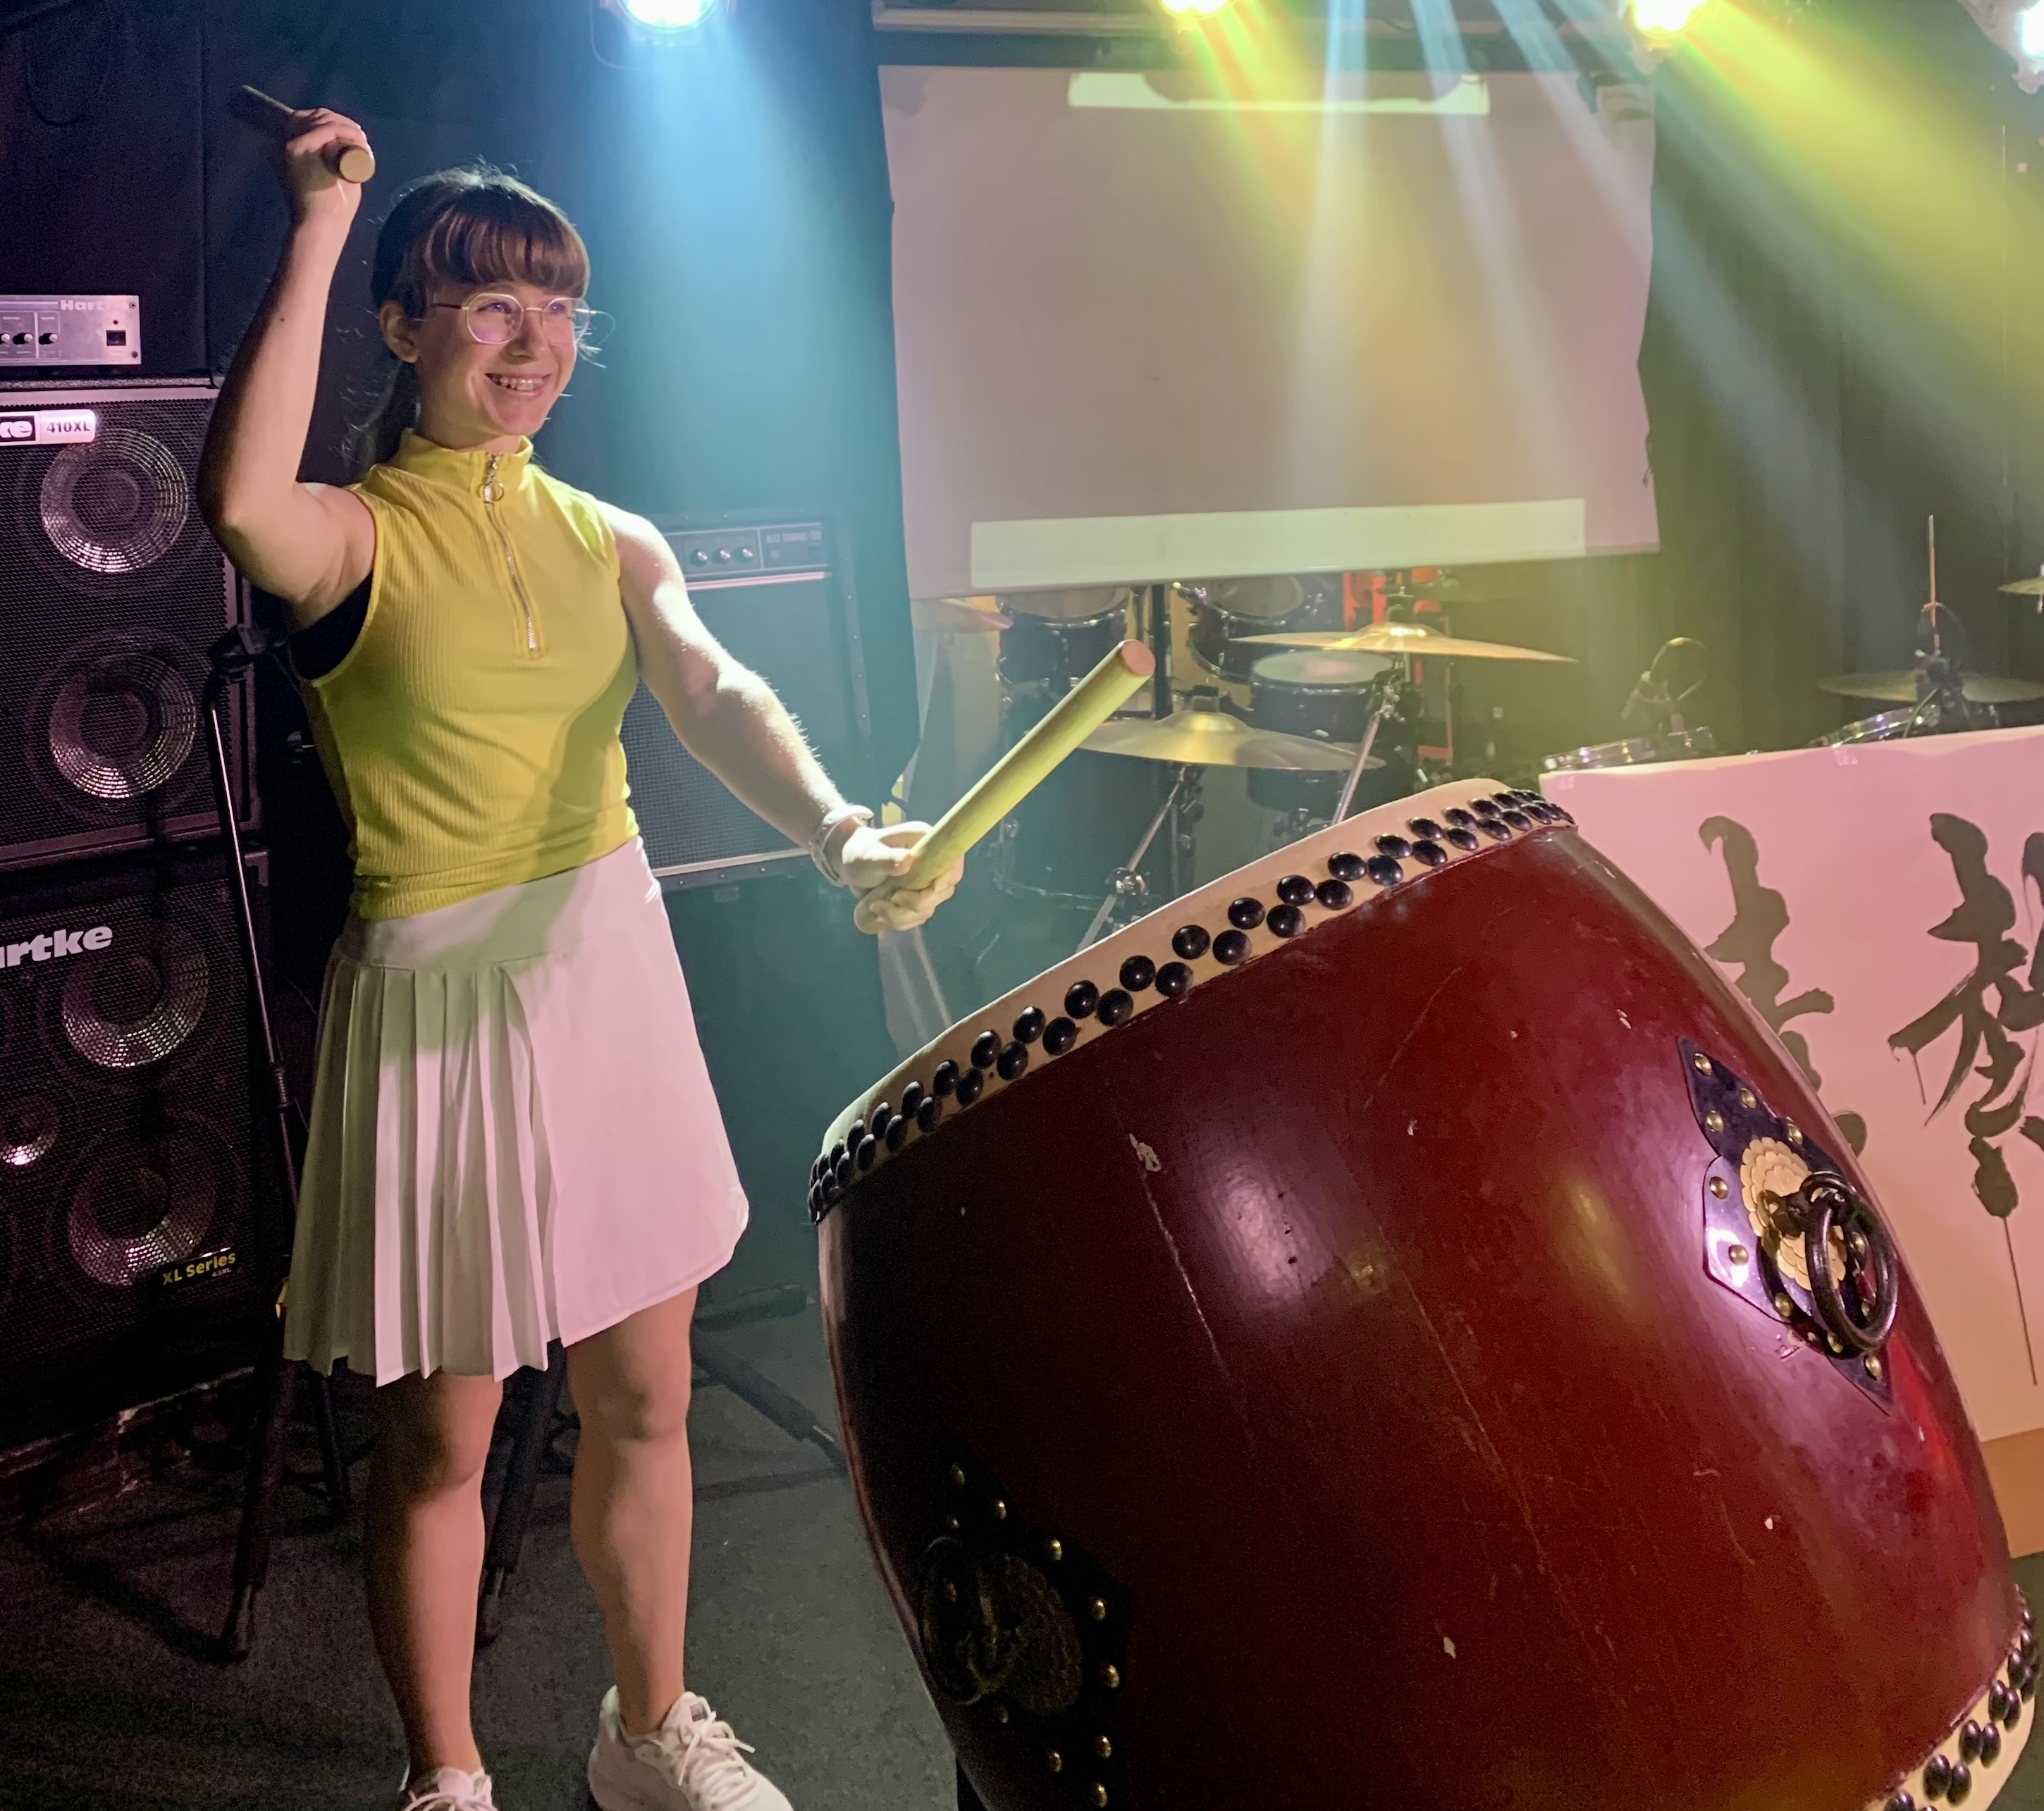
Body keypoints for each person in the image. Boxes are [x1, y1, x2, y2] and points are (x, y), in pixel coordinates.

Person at [198, 109, 960, 1811]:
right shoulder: (352, 534)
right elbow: (236, 502)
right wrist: (322, 223)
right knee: (446, 1437)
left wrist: (838, 826)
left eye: (558, 314)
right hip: (435, 995)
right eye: (489, 308)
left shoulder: (611, 534)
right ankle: (449, 1776)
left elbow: (711, 689)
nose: (533, 345)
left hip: (606, 967)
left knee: (643, 1396)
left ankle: (644, 1727)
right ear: (406, 327)